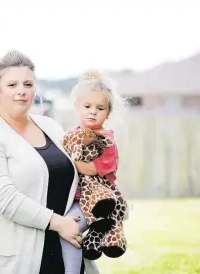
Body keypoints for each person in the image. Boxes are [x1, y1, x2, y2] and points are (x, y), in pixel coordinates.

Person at [0, 50, 99, 274]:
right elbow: (6, 199)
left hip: (67, 252)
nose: (21, 92)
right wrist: (58, 223)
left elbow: (78, 177)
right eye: (12, 85)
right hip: (19, 259)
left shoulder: (52, 127)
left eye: (28, 84)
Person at [60, 70, 129, 273]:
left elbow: (91, 169)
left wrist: (73, 161)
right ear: (76, 107)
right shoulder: (72, 134)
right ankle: (92, 246)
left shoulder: (106, 140)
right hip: (75, 196)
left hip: (97, 197)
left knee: (71, 230)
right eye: (87, 106)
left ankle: (109, 234)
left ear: (107, 113)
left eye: (100, 108)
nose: (92, 111)